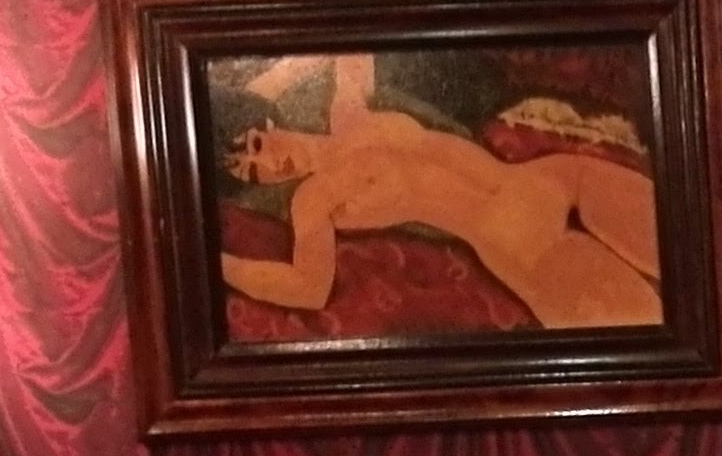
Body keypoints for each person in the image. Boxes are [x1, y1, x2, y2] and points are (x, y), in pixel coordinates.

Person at [221, 52, 660, 329]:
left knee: (689, 252)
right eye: (254, 174)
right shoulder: (312, 199)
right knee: (655, 327)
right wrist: (215, 265)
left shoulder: (349, 113)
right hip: (518, 239)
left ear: (267, 122)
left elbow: (345, 43)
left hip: (554, 179)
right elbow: (307, 288)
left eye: (257, 146)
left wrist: (259, 90)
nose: (271, 166)